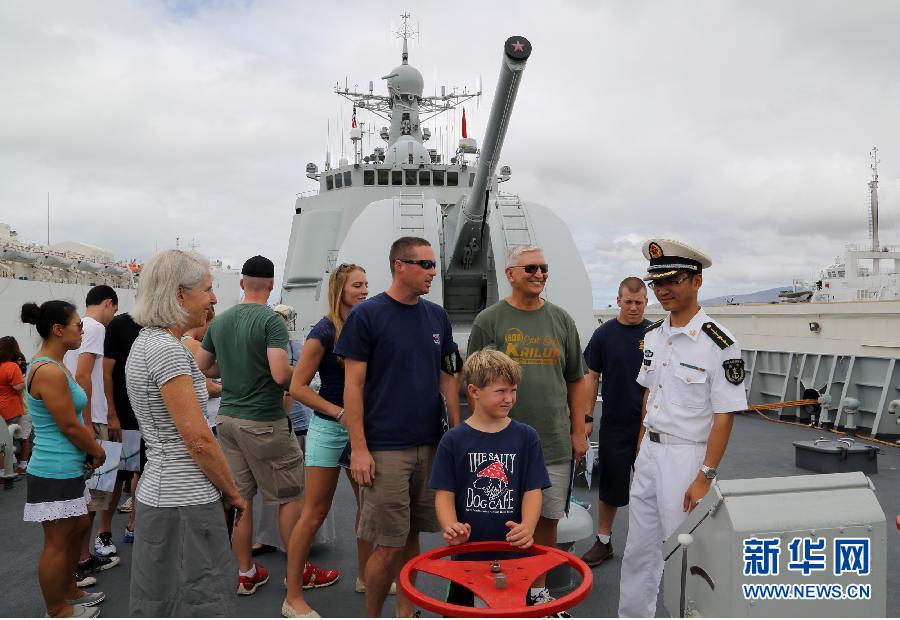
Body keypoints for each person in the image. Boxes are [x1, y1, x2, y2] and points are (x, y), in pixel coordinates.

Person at [618, 239, 747, 618]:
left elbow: (725, 414)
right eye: (657, 282)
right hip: (650, 454)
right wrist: (641, 448)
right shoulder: (654, 336)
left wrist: (705, 475)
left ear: (697, 281)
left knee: (685, 551)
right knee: (638, 549)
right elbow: (649, 394)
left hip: (686, 457)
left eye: (673, 280)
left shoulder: (719, 343)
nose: (663, 289)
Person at [337, 237, 461, 618]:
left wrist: (457, 436)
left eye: (433, 264)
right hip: (386, 448)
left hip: (430, 444)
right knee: (388, 544)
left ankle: (406, 611)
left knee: (412, 536)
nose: (433, 272)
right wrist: (359, 449)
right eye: (425, 264)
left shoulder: (437, 317)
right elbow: (353, 386)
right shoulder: (367, 316)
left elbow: (448, 377)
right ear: (399, 266)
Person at [197, 255, 335, 597]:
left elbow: (204, 367)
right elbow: (279, 374)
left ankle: (246, 573)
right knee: (290, 497)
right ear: (271, 285)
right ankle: (299, 571)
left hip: (227, 421)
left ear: (242, 283)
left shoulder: (220, 321)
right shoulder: (272, 321)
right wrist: (304, 376)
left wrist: (234, 368)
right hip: (264, 421)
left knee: (241, 499)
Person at [125, 249, 247, 617]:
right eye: (208, 289)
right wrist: (233, 492)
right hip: (184, 499)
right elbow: (197, 439)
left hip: (162, 490)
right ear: (180, 294)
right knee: (198, 599)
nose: (213, 299)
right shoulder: (168, 351)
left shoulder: (146, 343)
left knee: (161, 598)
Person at [467, 244, 586, 610]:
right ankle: (498, 593)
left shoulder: (562, 320)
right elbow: (472, 381)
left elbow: (576, 379)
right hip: (500, 444)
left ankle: (537, 592)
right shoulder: (489, 321)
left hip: (552, 440)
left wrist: (579, 431)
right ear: (510, 274)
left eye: (543, 267)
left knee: (547, 520)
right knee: (497, 519)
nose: (539, 274)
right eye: (531, 268)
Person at [430, 348, 550, 608]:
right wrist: (451, 526)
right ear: (474, 391)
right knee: (461, 612)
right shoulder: (453, 440)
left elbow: (532, 490)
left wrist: (528, 527)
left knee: (514, 611)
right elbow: (444, 494)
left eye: (513, 390)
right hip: (466, 556)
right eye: (500, 391)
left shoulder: (526, 437)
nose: (509, 398)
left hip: (515, 556)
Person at [283, 264, 370, 618]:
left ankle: (365, 577)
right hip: (329, 429)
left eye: (366, 284)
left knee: (367, 508)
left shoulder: (367, 326)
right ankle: (293, 597)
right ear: (340, 289)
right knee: (314, 512)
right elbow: (297, 387)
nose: (365, 290)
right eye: (357, 285)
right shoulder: (323, 332)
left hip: (362, 431)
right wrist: (338, 412)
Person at [20, 300, 106, 618]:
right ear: (58, 330)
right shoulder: (48, 371)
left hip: (65, 466)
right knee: (57, 541)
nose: (82, 331)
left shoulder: (55, 366)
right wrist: (96, 450)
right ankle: (57, 609)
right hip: (53, 468)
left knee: (79, 525)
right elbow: (68, 425)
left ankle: (69, 590)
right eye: (78, 325)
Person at [579, 277, 650, 567]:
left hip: (651, 425)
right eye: (628, 302)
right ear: (618, 301)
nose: (633, 308)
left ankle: (651, 545)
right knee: (610, 486)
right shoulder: (604, 335)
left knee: (652, 489)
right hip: (615, 422)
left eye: (639, 302)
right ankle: (604, 541)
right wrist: (586, 418)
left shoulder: (656, 334)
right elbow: (591, 376)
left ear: (646, 303)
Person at [62, 285, 120, 573]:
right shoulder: (95, 328)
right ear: (108, 303)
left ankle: (81, 557)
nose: (113, 316)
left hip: (81, 416)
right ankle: (81, 560)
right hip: (93, 419)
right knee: (94, 496)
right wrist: (88, 423)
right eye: (114, 310)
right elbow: (84, 375)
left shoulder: (75, 329)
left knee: (85, 496)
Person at [102, 311, 143, 545]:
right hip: (121, 418)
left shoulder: (162, 325)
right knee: (112, 477)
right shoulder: (120, 325)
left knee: (141, 472)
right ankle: (103, 533)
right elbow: (106, 372)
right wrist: (111, 414)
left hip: (146, 419)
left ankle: (134, 524)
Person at [0, 336, 31, 473]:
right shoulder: (12, 367)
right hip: (14, 409)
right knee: (23, 438)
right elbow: (18, 386)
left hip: (2, 410)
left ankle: (2, 469)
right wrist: (25, 378)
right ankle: (22, 466)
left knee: (2, 441)